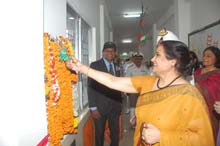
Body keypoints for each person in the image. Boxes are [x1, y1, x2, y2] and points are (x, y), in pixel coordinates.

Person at [66, 29, 214, 146]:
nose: (152, 59)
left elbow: (203, 140)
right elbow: (113, 81)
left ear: (173, 61)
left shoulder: (189, 95)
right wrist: (82, 68)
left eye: (157, 55)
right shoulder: (149, 82)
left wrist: (162, 137)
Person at [87, 41, 122, 146]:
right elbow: (90, 87)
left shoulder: (117, 66)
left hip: (114, 107)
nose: (110, 53)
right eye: (107, 51)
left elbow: (118, 86)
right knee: (99, 134)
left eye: (112, 51)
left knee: (115, 133)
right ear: (103, 52)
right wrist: (93, 108)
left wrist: (119, 105)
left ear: (115, 53)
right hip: (99, 108)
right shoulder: (95, 65)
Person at [194, 46, 220, 144]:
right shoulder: (197, 71)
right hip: (195, 108)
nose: (205, 58)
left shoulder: (217, 74)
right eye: (204, 56)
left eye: (209, 56)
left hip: (211, 111)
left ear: (216, 58)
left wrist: (199, 88)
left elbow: (213, 90)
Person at [125, 52, 150, 127]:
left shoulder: (145, 68)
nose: (138, 60)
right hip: (133, 91)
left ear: (142, 59)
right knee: (133, 107)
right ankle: (133, 123)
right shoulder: (130, 68)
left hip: (143, 91)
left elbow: (148, 78)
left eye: (139, 59)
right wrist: (127, 91)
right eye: (136, 59)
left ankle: (142, 122)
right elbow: (127, 80)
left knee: (143, 106)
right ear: (133, 59)